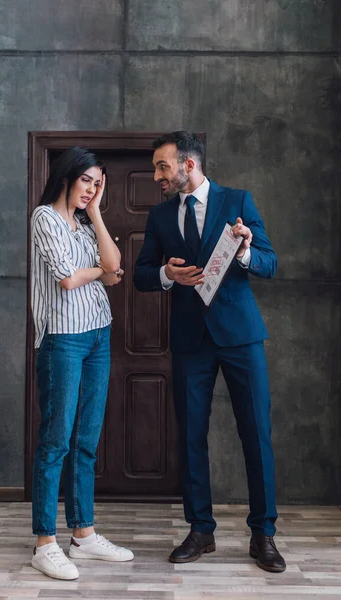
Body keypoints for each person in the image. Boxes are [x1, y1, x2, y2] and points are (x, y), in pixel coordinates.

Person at [134, 131, 286, 573]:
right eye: (155, 168)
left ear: (189, 165)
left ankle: (264, 535)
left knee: (256, 433)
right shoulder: (161, 216)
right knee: (191, 436)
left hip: (240, 336)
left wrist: (244, 252)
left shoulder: (238, 201)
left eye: (163, 167)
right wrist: (165, 273)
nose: (156, 176)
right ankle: (201, 530)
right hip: (189, 340)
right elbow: (143, 273)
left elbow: (270, 264)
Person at [30, 146, 134, 580]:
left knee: (87, 439)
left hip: (97, 335)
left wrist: (98, 216)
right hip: (62, 339)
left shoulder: (87, 223)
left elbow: (115, 266)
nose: (91, 188)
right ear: (67, 177)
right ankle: (44, 543)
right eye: (86, 180)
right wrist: (97, 270)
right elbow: (69, 279)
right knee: (57, 441)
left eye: (98, 182)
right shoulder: (45, 218)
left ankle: (84, 535)